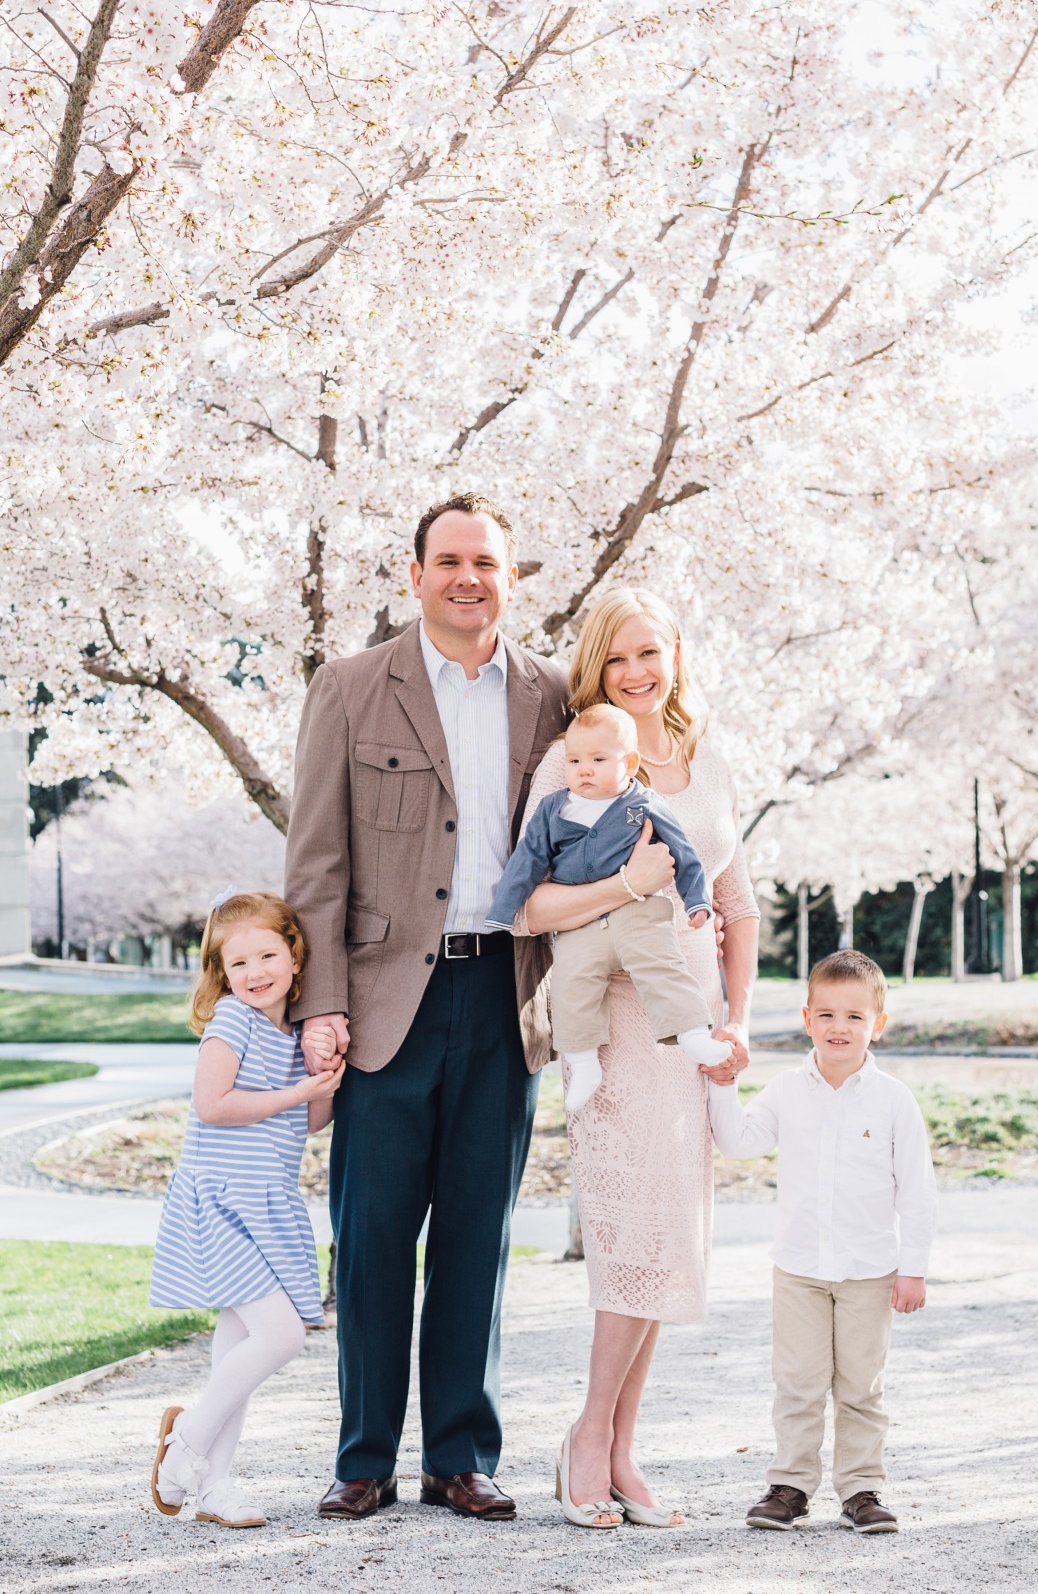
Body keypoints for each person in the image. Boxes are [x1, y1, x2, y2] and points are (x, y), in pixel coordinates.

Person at [284, 492, 567, 1522]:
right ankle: (363, 1458)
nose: (468, 578)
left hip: (506, 992)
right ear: (414, 575)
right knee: (370, 1238)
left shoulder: (555, 696)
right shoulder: (352, 688)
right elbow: (315, 864)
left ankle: (461, 1455)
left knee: (477, 1236)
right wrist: (319, 1007)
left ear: (512, 578)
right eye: (449, 561)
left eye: (487, 563)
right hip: (384, 998)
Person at [518, 586, 760, 1529]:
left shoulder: (708, 761)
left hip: (692, 1025)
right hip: (614, 1022)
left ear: (676, 655)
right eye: (619, 658)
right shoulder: (573, 762)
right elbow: (530, 907)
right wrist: (625, 882)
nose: (639, 672)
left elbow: (737, 906)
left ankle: (623, 1446)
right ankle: (586, 1435)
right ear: (596, 669)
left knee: (668, 1237)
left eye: (651, 653)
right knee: (630, 1231)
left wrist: (738, 1020)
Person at [707, 949, 937, 1535]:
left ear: (877, 1026)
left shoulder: (893, 1102)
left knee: (862, 1385)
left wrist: (913, 1269)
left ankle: (862, 1488)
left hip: (870, 1270)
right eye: (828, 1015)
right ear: (808, 1019)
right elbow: (738, 1142)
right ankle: (790, 1485)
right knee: (799, 1382)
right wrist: (723, 1086)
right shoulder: (787, 1090)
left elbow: (917, 1191)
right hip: (800, 1269)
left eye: (855, 1017)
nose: (840, 1028)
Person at [149, 891, 342, 1529]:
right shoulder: (232, 1021)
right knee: (281, 1335)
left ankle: (213, 1486)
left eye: (267, 954)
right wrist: (297, 1090)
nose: (255, 972)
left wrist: (323, 1075)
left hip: (268, 1202)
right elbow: (213, 1104)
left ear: (295, 953)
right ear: (221, 974)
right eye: (238, 963)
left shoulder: (290, 1034)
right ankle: (187, 1445)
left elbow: (311, 1119)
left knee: (237, 1346)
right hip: (222, 1199)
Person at [488, 702, 719, 1111]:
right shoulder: (554, 808)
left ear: (629, 763)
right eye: (575, 760)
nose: (584, 770)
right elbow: (527, 860)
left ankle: (692, 1032)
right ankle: (582, 1061)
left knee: (661, 964)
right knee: (571, 984)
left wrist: (697, 898)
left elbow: (683, 853)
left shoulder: (642, 803)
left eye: (597, 760)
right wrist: (503, 910)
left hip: (639, 912)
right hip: (580, 923)